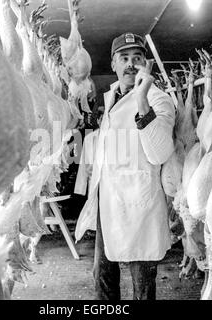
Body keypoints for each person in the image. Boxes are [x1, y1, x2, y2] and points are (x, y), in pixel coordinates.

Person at [74, 32, 176, 300]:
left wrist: (142, 98)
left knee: (142, 287)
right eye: (125, 58)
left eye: (137, 58)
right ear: (114, 65)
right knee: (103, 278)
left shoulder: (159, 99)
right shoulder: (110, 97)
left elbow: (160, 152)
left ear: (146, 64)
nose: (131, 64)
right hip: (108, 203)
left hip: (139, 207)